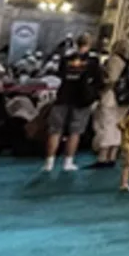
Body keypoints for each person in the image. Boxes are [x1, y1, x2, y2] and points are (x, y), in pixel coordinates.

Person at [44, 34, 104, 172]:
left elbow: (60, 74)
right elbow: (98, 80)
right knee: (75, 131)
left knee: (55, 130)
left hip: (63, 96)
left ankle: (49, 163)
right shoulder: (93, 61)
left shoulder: (66, 59)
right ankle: (68, 162)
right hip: (81, 99)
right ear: (90, 44)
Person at [91, 40, 129, 167]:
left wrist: (102, 85)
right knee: (117, 127)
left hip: (111, 96)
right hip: (124, 99)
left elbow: (112, 79)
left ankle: (102, 157)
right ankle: (112, 156)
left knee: (105, 125)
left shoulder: (114, 60)